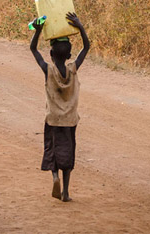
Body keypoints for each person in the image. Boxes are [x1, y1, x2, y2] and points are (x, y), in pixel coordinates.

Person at [30, 12, 90, 202]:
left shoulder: (48, 70)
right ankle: (65, 192)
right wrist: (79, 26)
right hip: (70, 120)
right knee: (68, 153)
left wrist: (37, 31)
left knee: (52, 149)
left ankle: (54, 177)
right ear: (69, 55)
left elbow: (33, 49)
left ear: (51, 54)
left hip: (53, 119)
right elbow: (86, 47)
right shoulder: (73, 69)